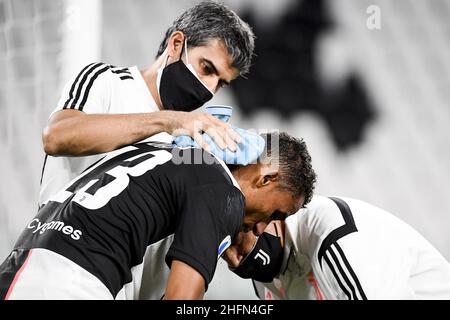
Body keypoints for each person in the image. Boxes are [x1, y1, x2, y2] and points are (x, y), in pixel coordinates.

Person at [0, 132, 317, 300]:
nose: (262, 226)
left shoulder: (166, 148)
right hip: (73, 284)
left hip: (19, 266)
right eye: (277, 212)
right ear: (266, 178)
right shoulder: (223, 192)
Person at [39, 1, 255, 205]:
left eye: (220, 84)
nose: (210, 88)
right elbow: (57, 137)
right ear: (176, 44)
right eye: (206, 68)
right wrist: (166, 121)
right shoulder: (106, 80)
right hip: (52, 240)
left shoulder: (189, 140)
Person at [224, 195, 450, 300]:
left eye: (236, 243)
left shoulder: (332, 237)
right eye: (222, 255)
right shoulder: (266, 275)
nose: (234, 261)